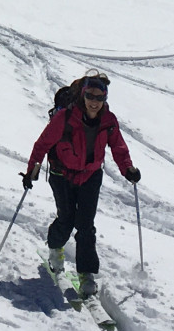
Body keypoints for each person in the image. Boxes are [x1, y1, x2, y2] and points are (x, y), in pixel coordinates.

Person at [22, 70, 140, 299]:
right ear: (82, 95)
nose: (94, 102)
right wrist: (31, 170)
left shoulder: (108, 121)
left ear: (105, 99)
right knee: (66, 219)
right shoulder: (65, 117)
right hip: (61, 174)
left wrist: (128, 169)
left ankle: (87, 274)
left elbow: (118, 147)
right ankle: (55, 251)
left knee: (85, 225)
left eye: (99, 98)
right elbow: (43, 144)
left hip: (90, 176)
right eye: (90, 96)